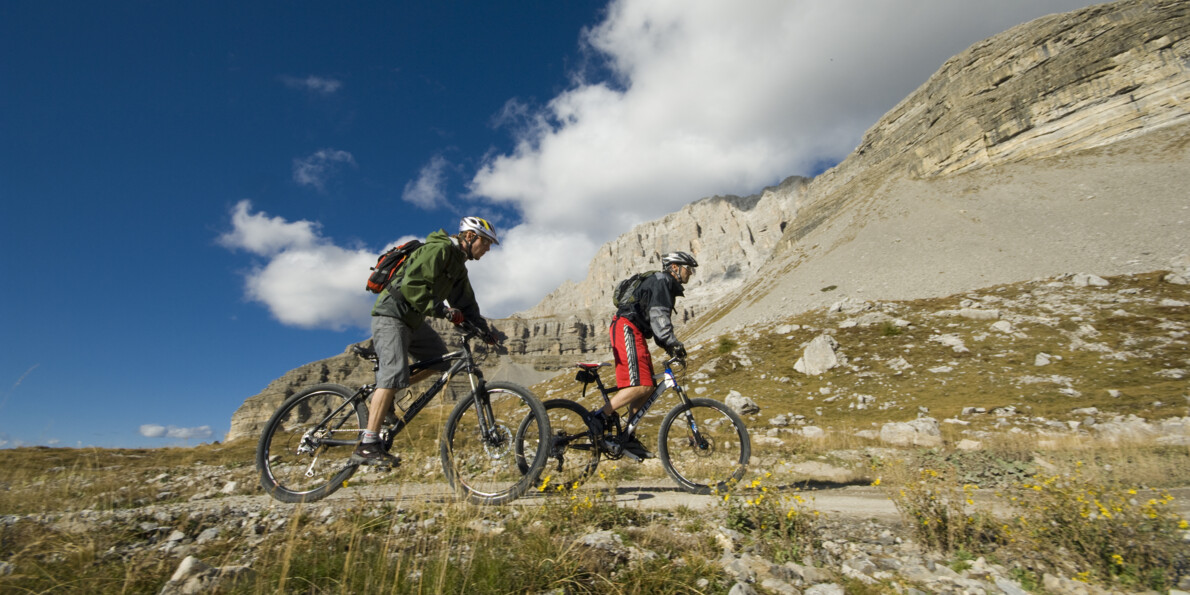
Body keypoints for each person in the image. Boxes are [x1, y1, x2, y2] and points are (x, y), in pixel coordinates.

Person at [352, 216, 500, 466]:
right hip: (392, 313)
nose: (487, 249)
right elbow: (412, 286)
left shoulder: (458, 267)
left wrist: (485, 331)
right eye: (485, 242)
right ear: (470, 237)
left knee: (440, 363)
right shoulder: (439, 249)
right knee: (393, 373)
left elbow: (466, 304)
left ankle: (386, 395)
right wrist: (441, 310)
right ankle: (367, 444)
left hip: (414, 319)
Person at [593, 250, 698, 460]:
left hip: (635, 331)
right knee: (642, 385)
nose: (691, 273)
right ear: (675, 268)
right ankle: (599, 417)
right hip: (627, 328)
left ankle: (628, 437)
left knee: (647, 389)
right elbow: (659, 319)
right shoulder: (662, 281)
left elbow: (657, 325)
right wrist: (673, 344)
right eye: (689, 268)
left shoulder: (662, 283)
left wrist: (669, 346)